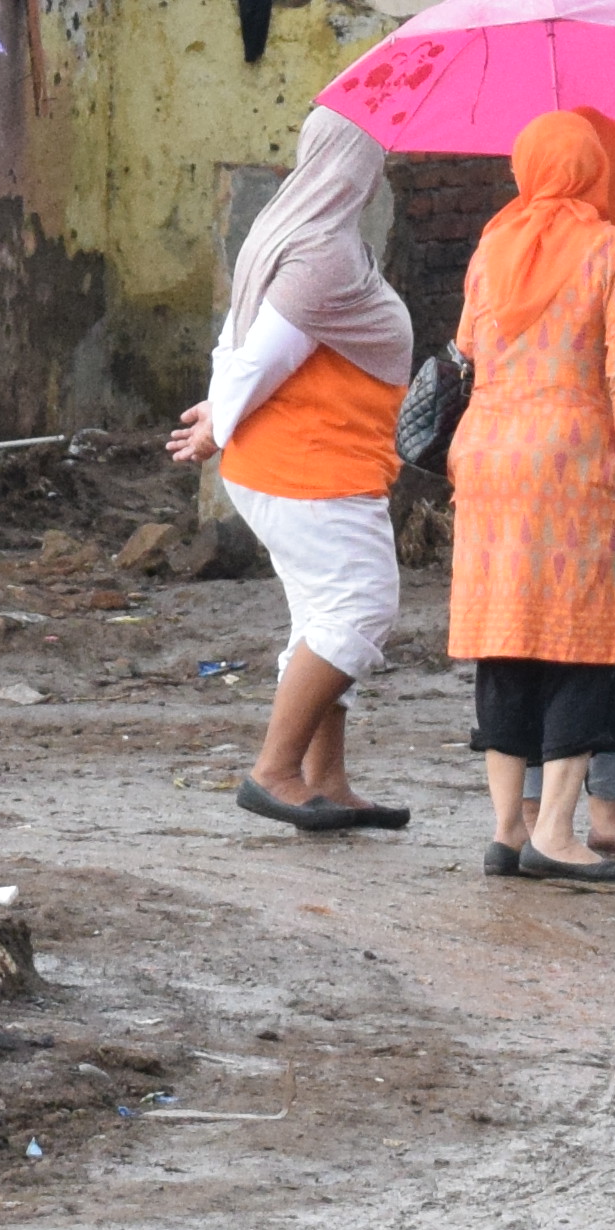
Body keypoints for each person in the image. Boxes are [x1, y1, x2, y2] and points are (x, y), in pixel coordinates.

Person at [164, 109, 418, 834]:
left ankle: (325, 778)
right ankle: (275, 769)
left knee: (321, 615)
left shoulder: (286, 230)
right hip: (310, 464)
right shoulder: (322, 253)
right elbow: (264, 353)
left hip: (300, 459)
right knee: (362, 607)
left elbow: (234, 338)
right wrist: (221, 418)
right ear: (358, 167)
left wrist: (221, 412)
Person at [449, 107, 615, 887]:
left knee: (505, 637)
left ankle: (507, 831)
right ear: (592, 170)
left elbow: (470, 351)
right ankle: (557, 832)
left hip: (484, 457)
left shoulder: (492, 247)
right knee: (585, 643)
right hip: (569, 457)